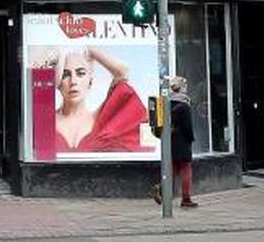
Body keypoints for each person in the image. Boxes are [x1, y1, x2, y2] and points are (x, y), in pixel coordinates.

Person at [49, 47, 148, 152]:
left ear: (90, 82)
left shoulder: (105, 121)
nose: (73, 81)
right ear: (58, 83)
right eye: (65, 75)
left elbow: (122, 73)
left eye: (80, 73)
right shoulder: (45, 121)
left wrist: (89, 48)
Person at [152, 76, 198, 209]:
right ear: (182, 88)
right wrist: (191, 138)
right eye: (185, 86)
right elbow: (187, 127)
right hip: (182, 141)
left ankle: (161, 188)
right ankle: (186, 198)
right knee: (186, 169)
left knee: (174, 168)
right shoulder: (184, 105)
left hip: (170, 140)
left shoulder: (166, 103)